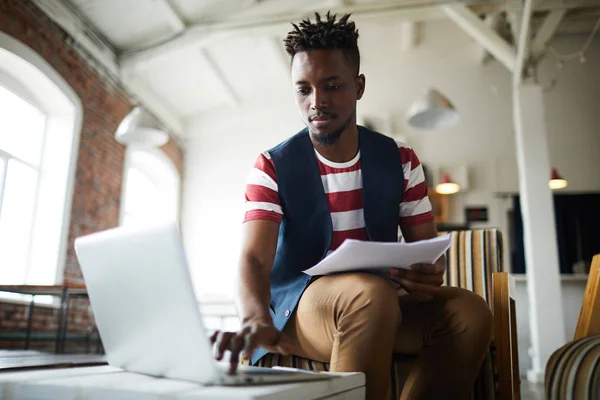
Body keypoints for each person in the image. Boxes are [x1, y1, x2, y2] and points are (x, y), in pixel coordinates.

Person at [211, 11, 493, 400]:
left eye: (331, 86)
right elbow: (254, 260)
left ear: (358, 87)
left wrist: (427, 275)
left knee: (470, 311)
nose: (317, 102)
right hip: (300, 312)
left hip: (381, 305)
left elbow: (427, 253)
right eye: (303, 90)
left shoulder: (401, 160)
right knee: (369, 295)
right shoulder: (271, 166)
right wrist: (255, 318)